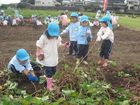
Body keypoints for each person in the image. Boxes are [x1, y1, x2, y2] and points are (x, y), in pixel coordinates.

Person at [36, 22, 69, 91]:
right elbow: (39, 46)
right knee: (48, 72)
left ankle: (50, 81)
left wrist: (64, 45)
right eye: (52, 34)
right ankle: (49, 86)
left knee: (53, 71)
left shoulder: (57, 37)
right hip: (46, 58)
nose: (53, 36)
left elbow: (59, 44)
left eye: (54, 35)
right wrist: (38, 54)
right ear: (48, 31)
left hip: (53, 57)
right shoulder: (44, 37)